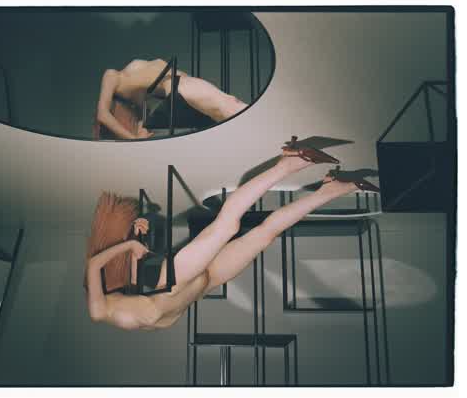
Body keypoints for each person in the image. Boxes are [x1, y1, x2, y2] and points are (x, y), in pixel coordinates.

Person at [84, 137, 380, 330]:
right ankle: (332, 189)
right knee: (264, 235)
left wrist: (131, 244)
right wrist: (135, 241)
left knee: (228, 225)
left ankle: (289, 163)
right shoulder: (128, 299)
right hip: (204, 284)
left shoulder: (99, 311)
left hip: (177, 278)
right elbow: (135, 272)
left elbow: (94, 264)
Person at [92, 58, 248, 140]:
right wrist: (135, 138)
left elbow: (103, 115)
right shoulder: (137, 102)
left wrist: (132, 138)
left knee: (229, 116)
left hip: (180, 87)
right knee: (231, 108)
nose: (126, 123)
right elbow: (105, 116)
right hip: (179, 86)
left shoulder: (114, 77)